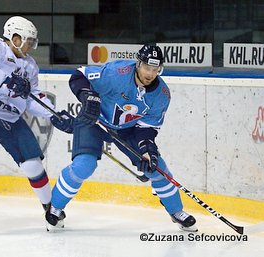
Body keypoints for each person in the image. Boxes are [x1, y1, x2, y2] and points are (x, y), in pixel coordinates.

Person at [45, 44, 198, 232]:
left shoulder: (161, 95)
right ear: (138, 64)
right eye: (146, 68)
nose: (150, 74)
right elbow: (79, 75)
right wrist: (88, 97)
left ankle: (176, 211)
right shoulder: (116, 73)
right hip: (96, 121)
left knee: (157, 169)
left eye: (155, 69)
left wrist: (146, 148)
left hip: (128, 129)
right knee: (84, 165)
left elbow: (147, 128)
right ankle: (55, 208)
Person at [0, 16, 72, 233]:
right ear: (15, 37)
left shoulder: (30, 65)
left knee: (33, 164)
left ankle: (52, 209)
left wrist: (55, 115)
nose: (31, 45)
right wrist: (8, 81)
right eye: (29, 40)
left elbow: (33, 98)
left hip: (9, 117)